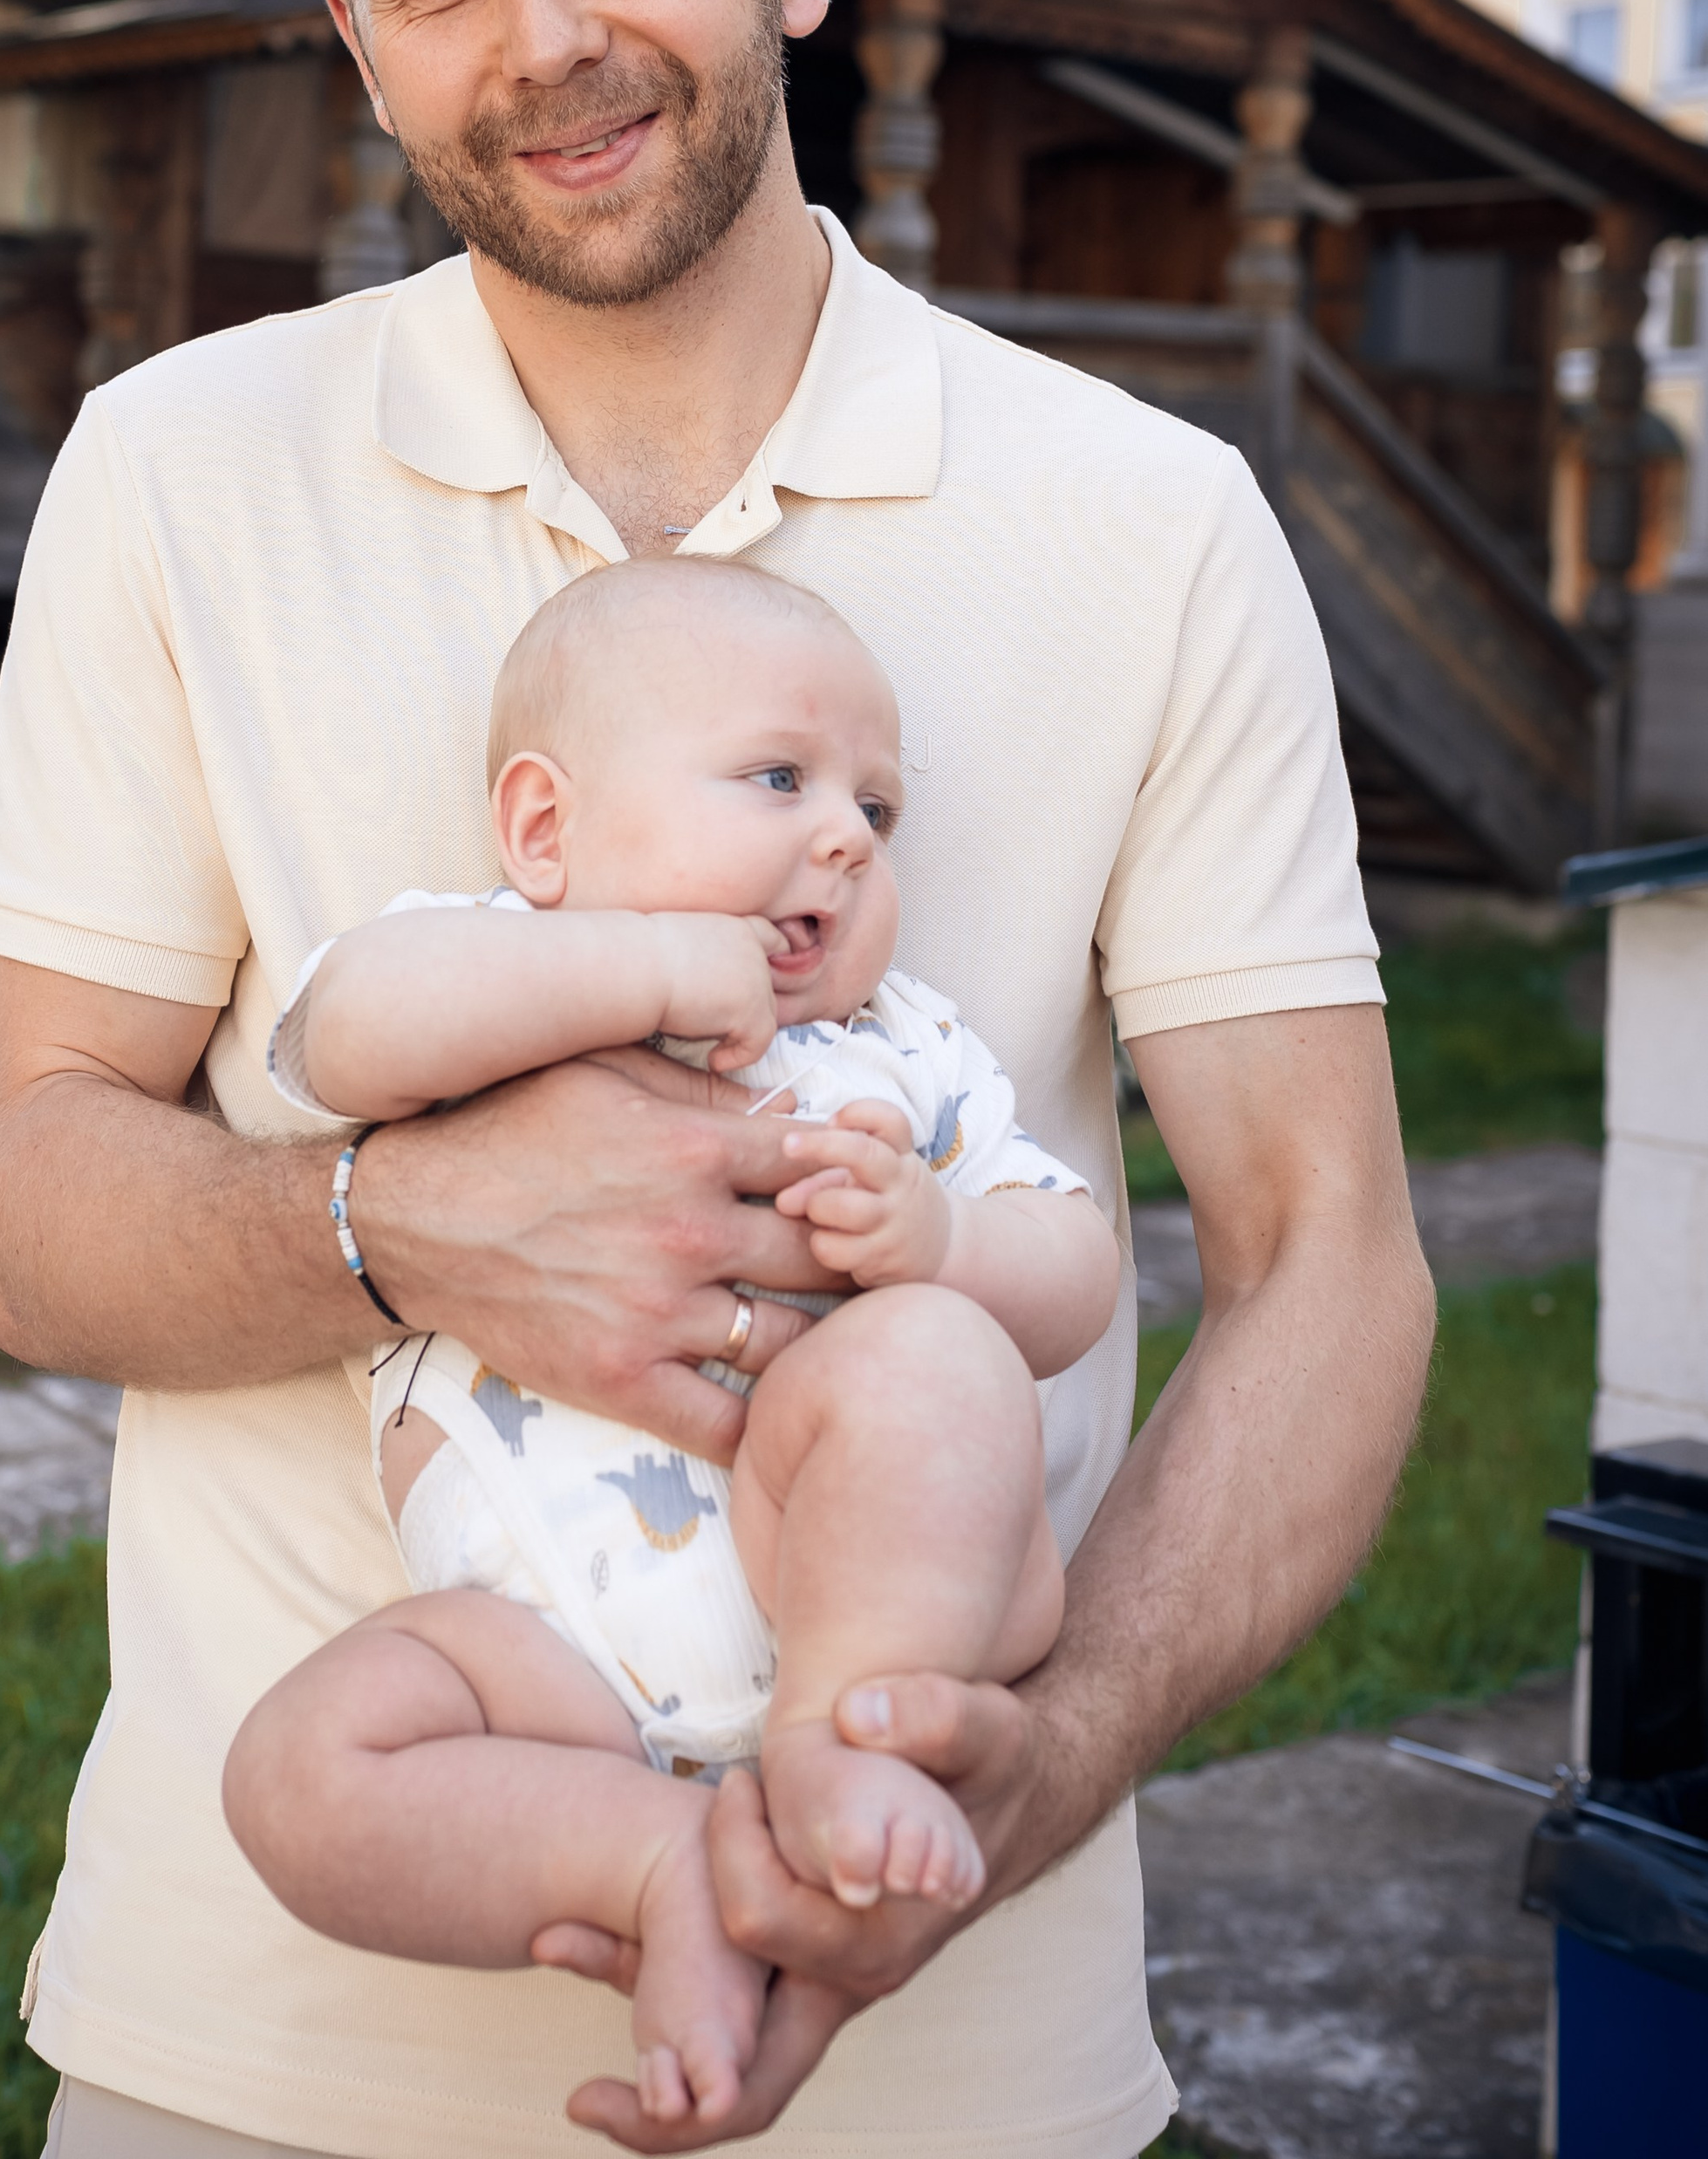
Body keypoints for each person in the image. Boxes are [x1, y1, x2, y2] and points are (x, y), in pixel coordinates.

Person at [0, 0, 1435, 2159]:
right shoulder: (171, 473)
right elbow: (30, 1200)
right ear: (357, 40)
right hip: (254, 2060)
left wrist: (1019, 1774)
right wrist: (396, 1229)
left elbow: (1326, 1254)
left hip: (952, 2054)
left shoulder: (1154, 519)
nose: (544, 39)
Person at [224, 558, 1121, 2129]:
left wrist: (949, 1240)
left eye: (877, 809)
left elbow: (1080, 1267)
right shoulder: (485, 965)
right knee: (295, 1775)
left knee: (928, 1362)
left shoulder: (901, 1047)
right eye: (779, 776)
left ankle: (840, 1735)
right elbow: (344, 1035)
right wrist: (638, 969)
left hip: (819, 1566)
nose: (843, 830)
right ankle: (658, 1861)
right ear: (546, 832)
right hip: (533, 1650)